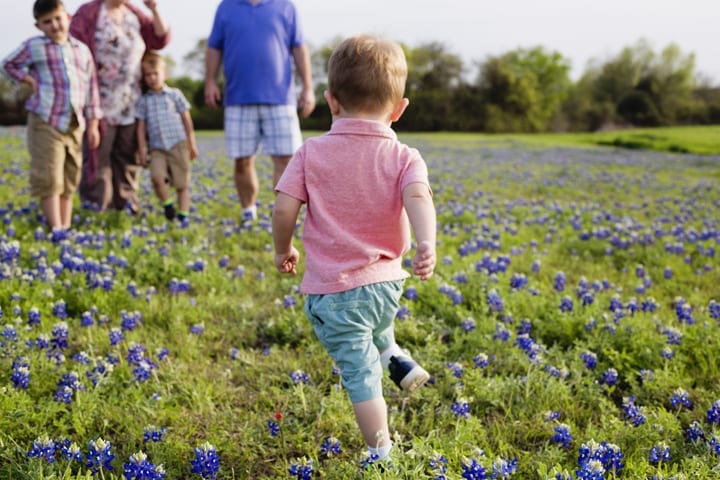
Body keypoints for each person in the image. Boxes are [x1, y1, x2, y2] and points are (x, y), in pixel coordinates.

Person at [272, 35, 437, 462]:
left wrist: (283, 247)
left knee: (360, 372)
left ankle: (380, 450)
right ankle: (397, 358)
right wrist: (426, 243)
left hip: (334, 290)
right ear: (399, 109)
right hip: (386, 284)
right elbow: (419, 198)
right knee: (376, 326)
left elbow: (284, 206)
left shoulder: (310, 152)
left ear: (331, 101)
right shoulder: (405, 155)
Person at [204, 0, 315, 223]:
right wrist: (210, 81)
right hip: (238, 97)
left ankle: (285, 216)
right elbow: (214, 47)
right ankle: (248, 212)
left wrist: (308, 87)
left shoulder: (285, 6)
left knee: (287, 161)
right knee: (242, 161)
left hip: (280, 98)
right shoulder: (226, 6)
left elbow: (299, 47)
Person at [2, 0, 102, 234]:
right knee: (50, 175)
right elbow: (7, 64)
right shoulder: (34, 46)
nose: (54, 25)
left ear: (67, 17)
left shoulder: (81, 50)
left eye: (58, 18)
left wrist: (95, 124)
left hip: (75, 122)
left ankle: (64, 227)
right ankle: (55, 227)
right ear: (38, 26)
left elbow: (92, 89)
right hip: (46, 119)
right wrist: (27, 79)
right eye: (47, 22)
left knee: (69, 177)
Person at [69, 0, 170, 214]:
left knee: (127, 158)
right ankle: (97, 208)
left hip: (130, 100)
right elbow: (73, 51)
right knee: (99, 157)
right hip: (98, 101)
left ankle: (126, 207)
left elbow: (160, 38)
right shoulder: (89, 13)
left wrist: (154, 8)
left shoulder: (134, 13)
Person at [135, 51, 198, 223]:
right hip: (156, 147)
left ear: (164, 74)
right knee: (156, 177)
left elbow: (186, 119)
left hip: (178, 143)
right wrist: (142, 149)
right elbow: (140, 128)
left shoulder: (175, 94)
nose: (152, 78)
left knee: (181, 184)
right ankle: (168, 204)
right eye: (148, 75)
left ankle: (183, 216)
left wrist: (192, 143)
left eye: (156, 73)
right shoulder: (143, 100)